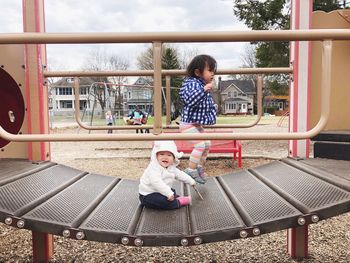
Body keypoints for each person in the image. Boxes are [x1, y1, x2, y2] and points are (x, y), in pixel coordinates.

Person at [179, 54, 217, 184]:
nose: (213, 74)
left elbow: (205, 106)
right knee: (200, 145)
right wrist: (203, 90)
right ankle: (190, 170)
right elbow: (190, 100)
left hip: (195, 124)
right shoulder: (191, 84)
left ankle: (199, 167)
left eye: (214, 71)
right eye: (210, 70)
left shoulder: (201, 84)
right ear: (197, 72)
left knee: (207, 144)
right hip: (187, 124)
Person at [139, 140, 196, 210]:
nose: (165, 157)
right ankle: (177, 202)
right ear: (156, 156)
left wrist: (190, 181)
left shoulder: (171, 167)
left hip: (160, 191)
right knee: (163, 201)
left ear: (174, 158)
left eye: (169, 155)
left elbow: (180, 174)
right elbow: (156, 182)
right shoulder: (154, 168)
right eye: (162, 154)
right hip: (148, 194)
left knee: (172, 191)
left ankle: (174, 197)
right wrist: (168, 193)